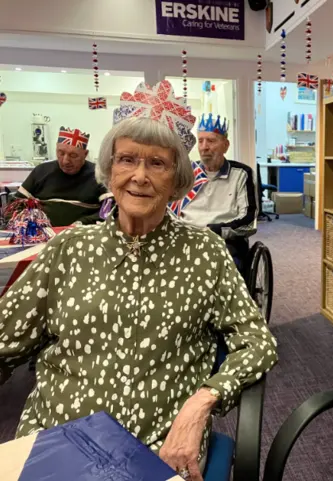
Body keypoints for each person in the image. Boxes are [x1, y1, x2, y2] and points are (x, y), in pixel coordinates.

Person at [0, 80, 277, 481]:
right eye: (127, 160)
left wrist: (203, 401)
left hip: (160, 449)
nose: (140, 176)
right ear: (109, 170)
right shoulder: (70, 248)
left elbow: (257, 342)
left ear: (177, 177)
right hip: (57, 441)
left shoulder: (204, 252)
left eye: (157, 163)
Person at [170, 113, 258, 270]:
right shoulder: (187, 172)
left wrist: (218, 230)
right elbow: (171, 208)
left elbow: (249, 219)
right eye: (201, 141)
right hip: (186, 237)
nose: (204, 147)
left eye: (211, 140)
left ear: (226, 145)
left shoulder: (241, 174)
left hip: (222, 240)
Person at [16, 127, 108, 226]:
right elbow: (16, 204)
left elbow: (110, 210)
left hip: (83, 234)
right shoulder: (41, 171)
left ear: (85, 154)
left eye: (73, 155)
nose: (65, 161)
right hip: (42, 233)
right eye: (61, 153)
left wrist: (82, 223)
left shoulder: (99, 174)